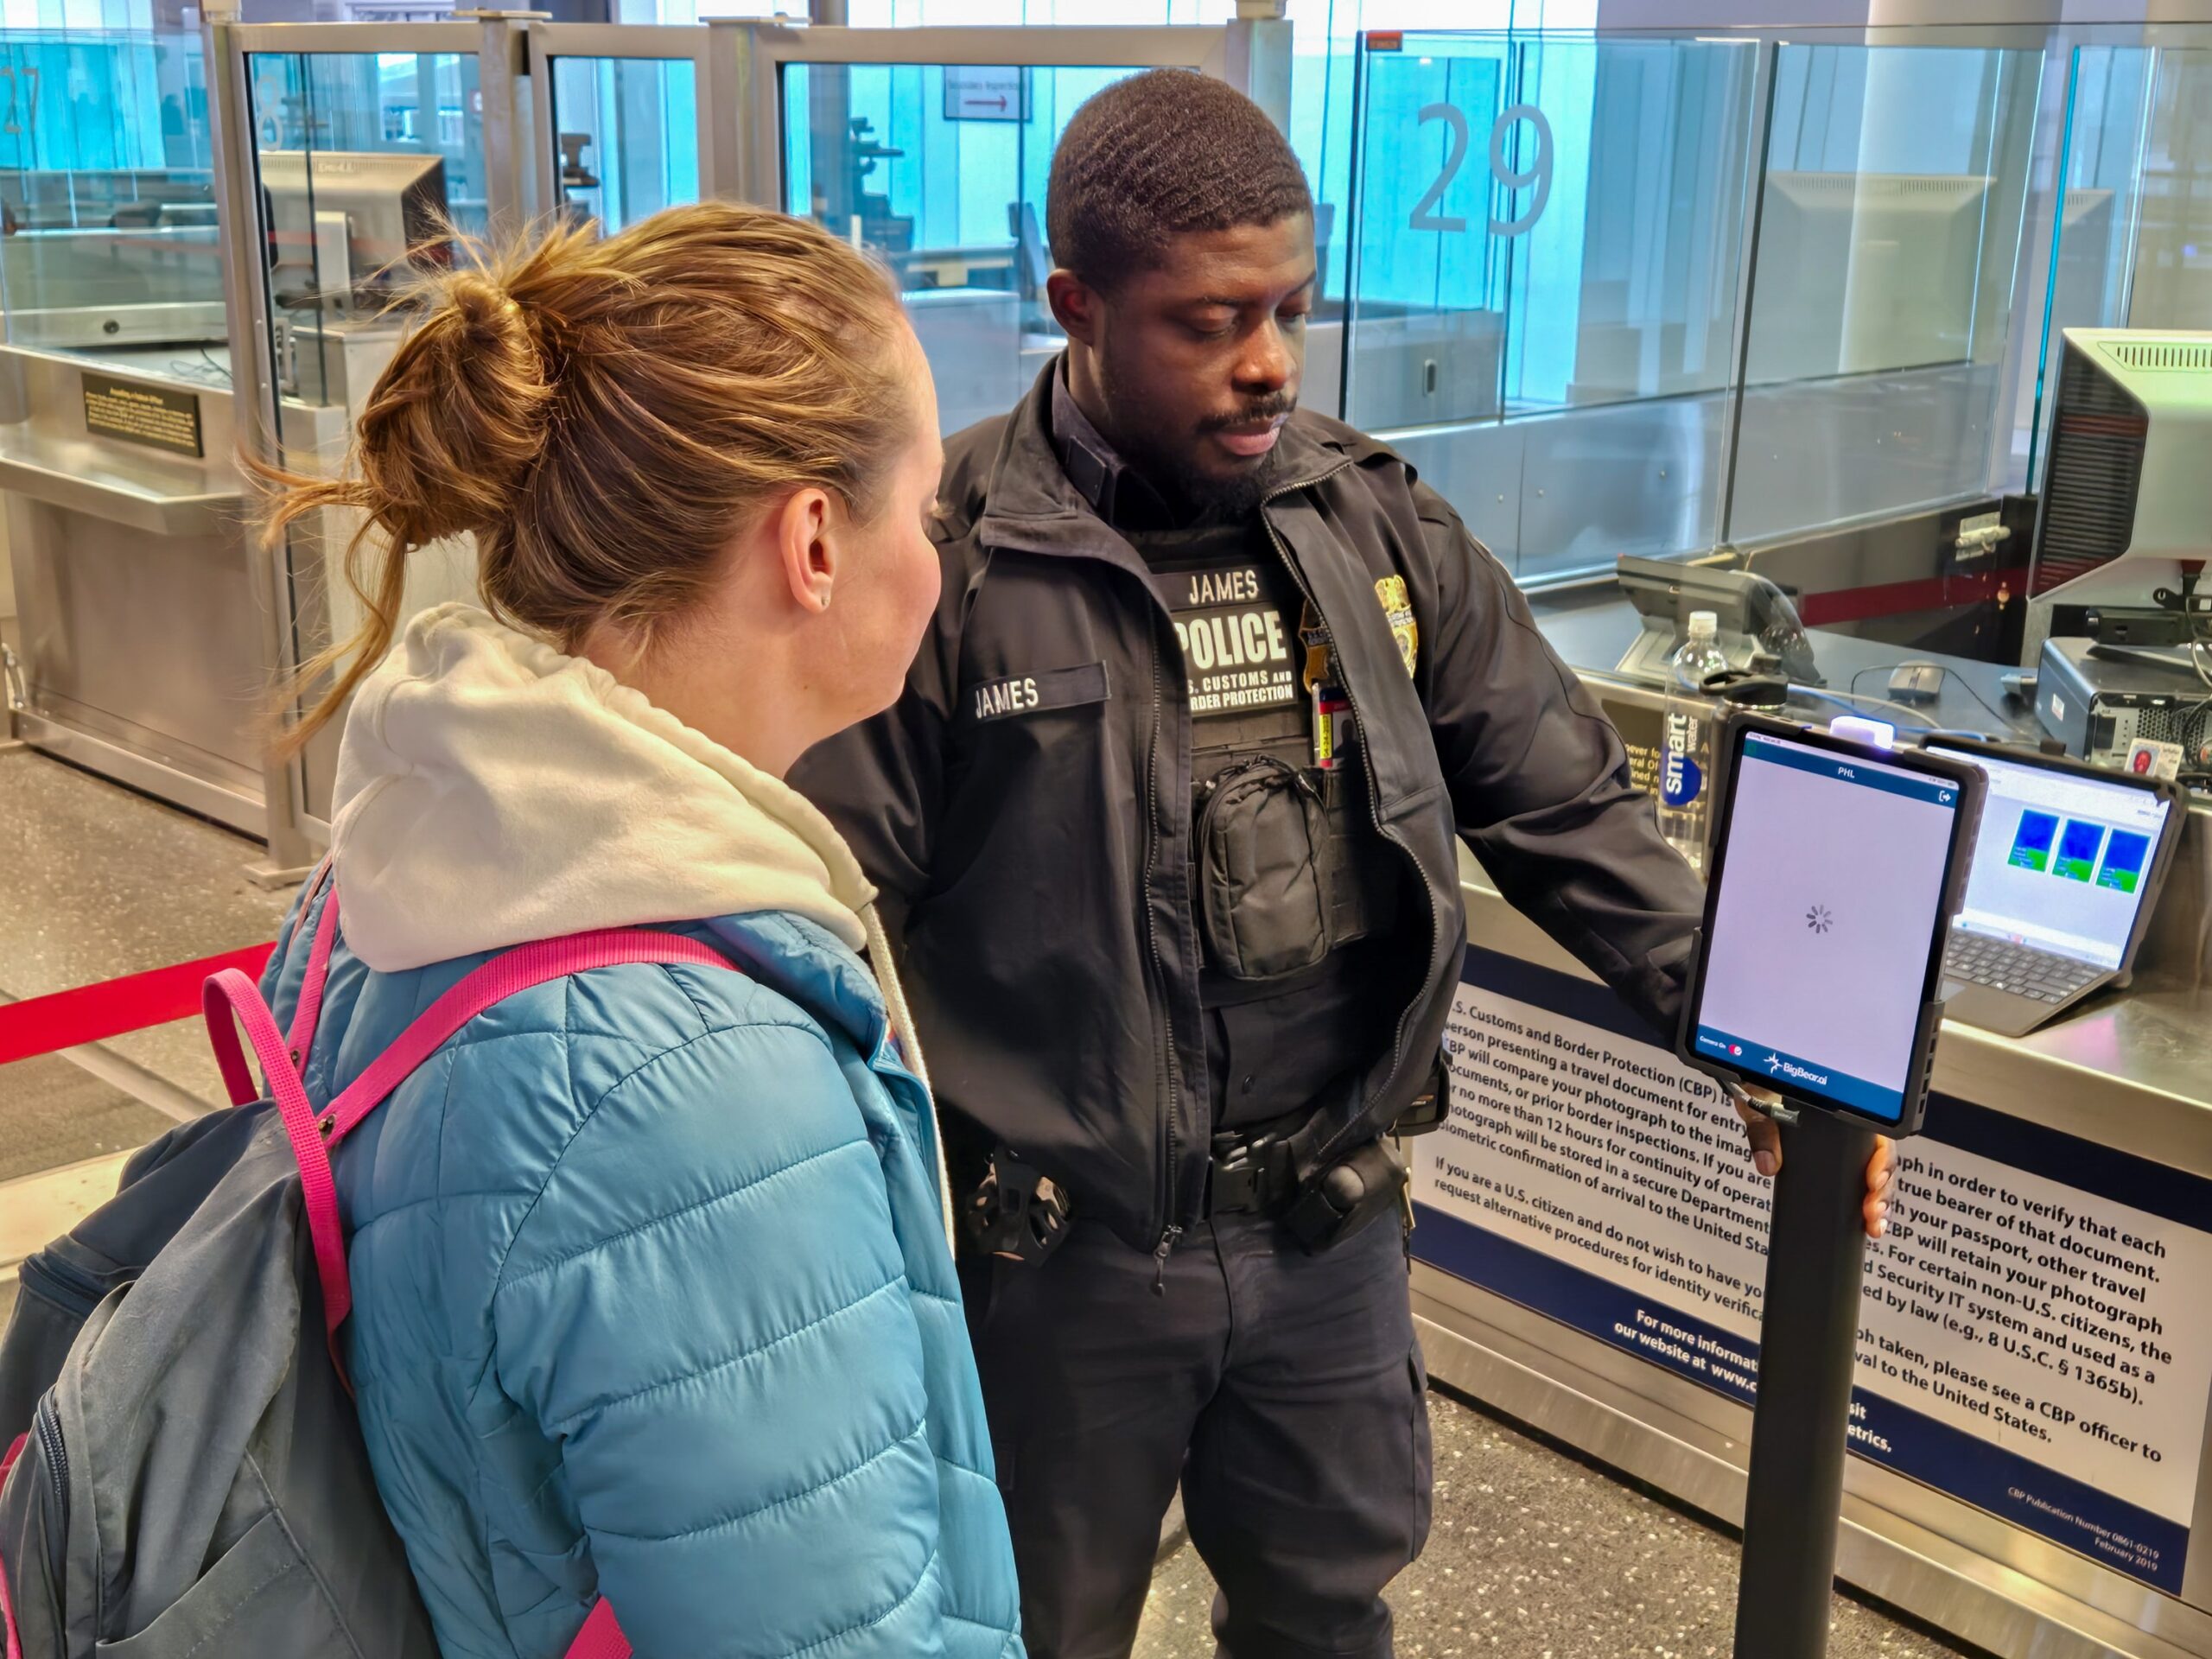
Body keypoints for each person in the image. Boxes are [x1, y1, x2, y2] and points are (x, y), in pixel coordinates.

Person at [789, 71, 1894, 1659]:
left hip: (1327, 1231)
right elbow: (836, 918)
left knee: (1327, 1613)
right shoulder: (949, 558)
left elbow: (1563, 798)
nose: (1270, 363)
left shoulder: (1365, 520)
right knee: (1033, 1632)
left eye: (1291, 311)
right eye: (1211, 322)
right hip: (1063, 1265)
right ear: (1077, 308)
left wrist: (1759, 1040)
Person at [251, 205, 1023, 1659]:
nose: (938, 561)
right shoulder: (703, 1097)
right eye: (926, 514)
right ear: (812, 542)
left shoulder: (410, 848)